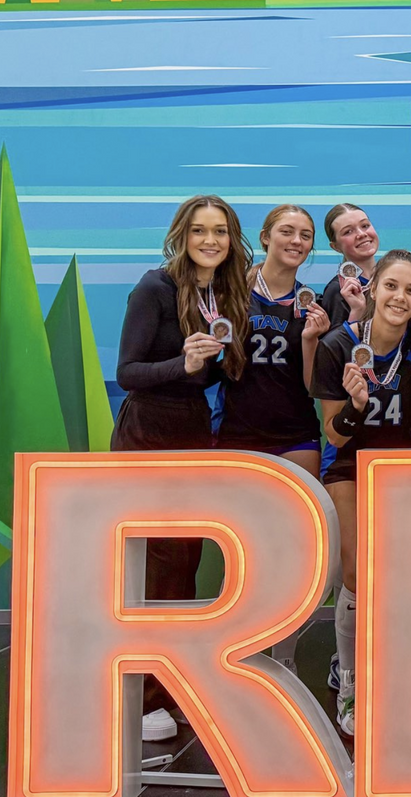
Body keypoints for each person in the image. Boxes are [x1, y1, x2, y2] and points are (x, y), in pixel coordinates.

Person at [111, 194, 252, 742]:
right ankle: (145, 697)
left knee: (185, 559)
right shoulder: (155, 287)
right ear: (182, 236)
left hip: (193, 428)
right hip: (146, 432)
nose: (209, 240)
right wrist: (184, 362)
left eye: (219, 231)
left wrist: (219, 363)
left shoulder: (224, 292)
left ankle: (172, 688)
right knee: (154, 563)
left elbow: (208, 378)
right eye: (199, 231)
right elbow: (128, 372)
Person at [310, 249, 411, 735]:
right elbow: (334, 436)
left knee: (405, 574)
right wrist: (356, 406)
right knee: (358, 571)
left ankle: (396, 669)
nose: (400, 297)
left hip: (402, 467)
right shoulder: (338, 345)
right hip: (349, 465)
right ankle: (351, 682)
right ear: (373, 287)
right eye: (391, 286)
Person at [215, 204, 330, 675]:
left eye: (305, 235)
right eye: (287, 231)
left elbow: (312, 388)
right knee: (244, 548)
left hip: (295, 434)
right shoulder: (230, 294)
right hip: (238, 435)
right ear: (265, 237)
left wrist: (311, 340)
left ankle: (283, 653)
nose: (296, 241)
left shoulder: (311, 303)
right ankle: (240, 648)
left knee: (292, 550)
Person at [319, 204, 378, 328]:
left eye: (365, 225)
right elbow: (335, 340)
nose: (361, 234)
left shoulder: (392, 277)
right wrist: (356, 314)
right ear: (336, 247)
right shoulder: (337, 290)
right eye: (348, 232)